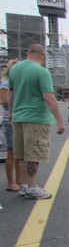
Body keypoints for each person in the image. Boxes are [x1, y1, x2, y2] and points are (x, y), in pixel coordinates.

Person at [8, 44, 65, 199]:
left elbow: (11, 94)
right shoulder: (41, 71)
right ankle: (32, 186)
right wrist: (59, 120)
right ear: (44, 57)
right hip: (35, 118)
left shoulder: (15, 69)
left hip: (19, 116)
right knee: (34, 154)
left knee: (21, 153)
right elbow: (49, 97)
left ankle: (24, 185)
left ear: (28, 53)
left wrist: (11, 114)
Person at [1, 60, 22, 191]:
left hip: (19, 118)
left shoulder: (18, 84)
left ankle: (20, 181)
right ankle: (11, 182)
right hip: (9, 121)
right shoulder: (6, 84)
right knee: (12, 152)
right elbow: (4, 102)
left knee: (19, 153)